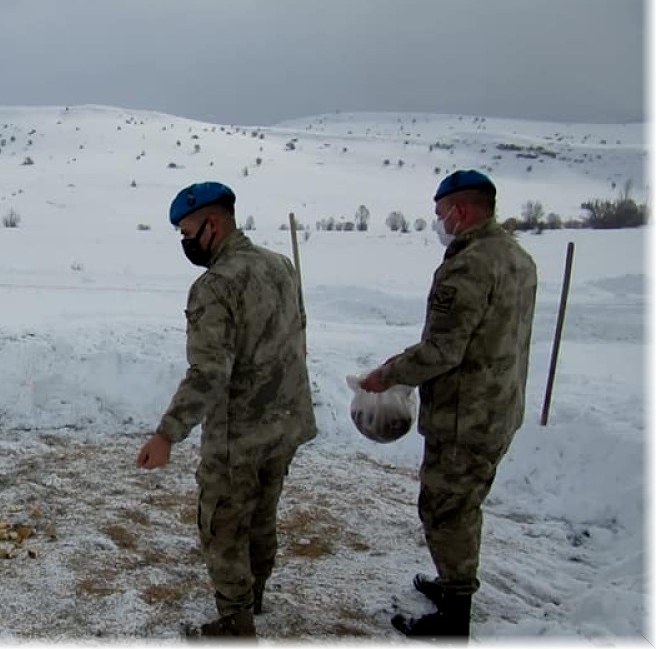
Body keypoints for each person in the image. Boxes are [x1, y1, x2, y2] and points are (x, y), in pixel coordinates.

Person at [359, 169, 537, 639]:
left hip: (466, 416)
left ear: (462, 209)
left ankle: (454, 614)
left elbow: (444, 350)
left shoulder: (469, 265)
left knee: (446, 509)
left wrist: (389, 375)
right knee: (462, 502)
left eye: (441, 213)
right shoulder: (516, 257)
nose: (439, 222)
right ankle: (450, 582)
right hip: (498, 405)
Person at [136, 181, 317, 637]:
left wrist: (166, 434)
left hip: (241, 433)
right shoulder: (280, 266)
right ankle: (253, 597)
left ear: (212, 225)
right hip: (285, 423)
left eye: (187, 232)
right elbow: (298, 332)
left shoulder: (215, 286)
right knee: (262, 513)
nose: (184, 242)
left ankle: (236, 622)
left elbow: (209, 373)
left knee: (223, 523)